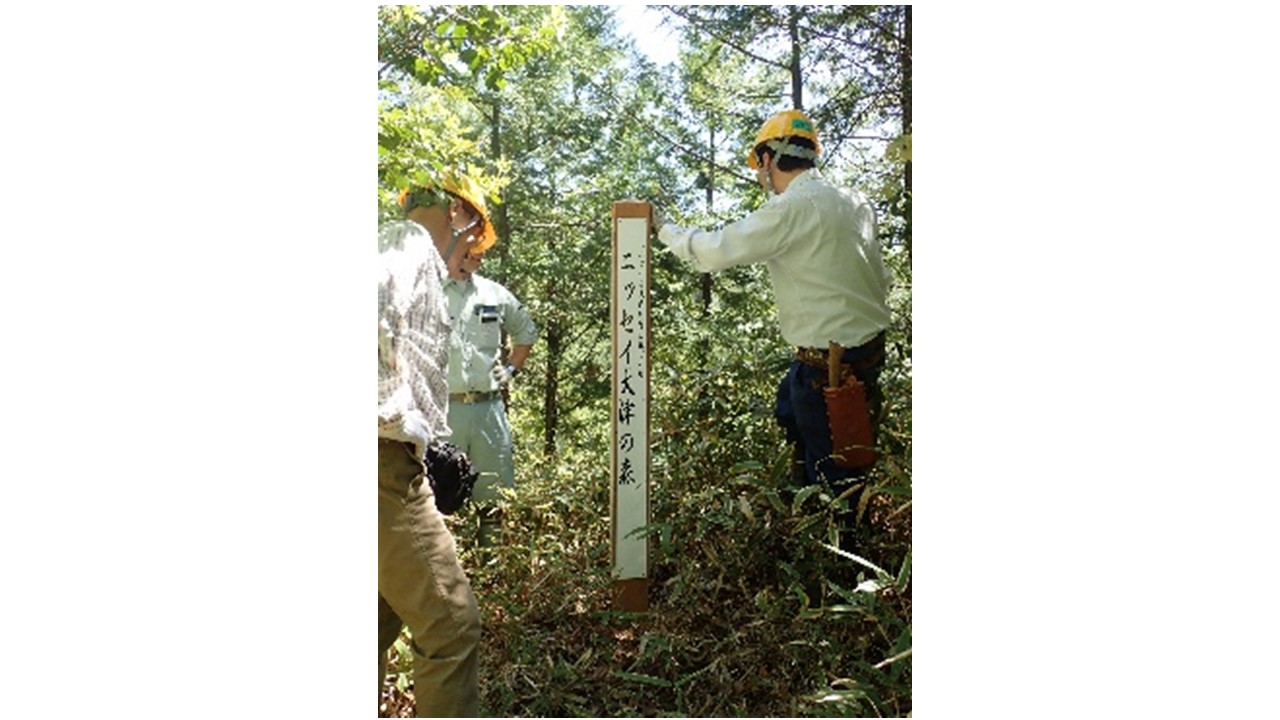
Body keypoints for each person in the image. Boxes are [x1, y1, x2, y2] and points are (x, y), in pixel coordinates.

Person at [654, 109, 892, 541]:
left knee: (835, 478)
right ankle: (815, 522)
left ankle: (841, 566)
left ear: (767, 160)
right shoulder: (855, 202)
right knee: (805, 421)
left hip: (828, 371)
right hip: (865, 356)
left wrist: (664, 230)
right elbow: (880, 277)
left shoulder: (791, 209)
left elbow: (714, 251)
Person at [377, 170, 495, 717]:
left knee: (378, 617)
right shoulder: (407, 246)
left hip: (392, 453)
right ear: (457, 213)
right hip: (379, 461)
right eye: (475, 234)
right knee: (451, 627)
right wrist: (391, 416)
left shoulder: (394, 245)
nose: (474, 250)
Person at [440, 239, 538, 548]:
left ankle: (491, 569)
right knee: (438, 496)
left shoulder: (493, 293)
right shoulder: (428, 291)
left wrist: (509, 371)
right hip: (443, 412)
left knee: (493, 497)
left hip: (488, 411)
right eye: (476, 248)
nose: (482, 255)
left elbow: (526, 333)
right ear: (458, 250)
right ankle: (446, 577)